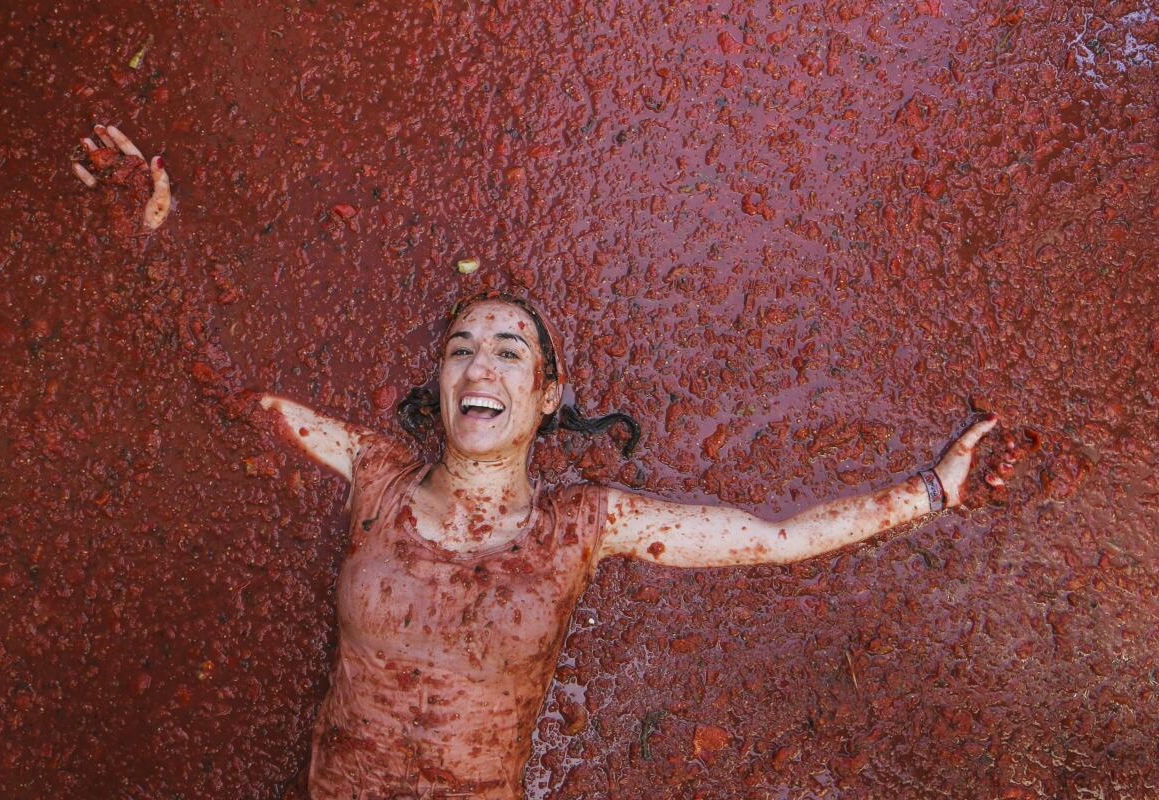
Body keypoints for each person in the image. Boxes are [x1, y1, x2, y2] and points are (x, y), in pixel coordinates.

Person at [73, 130, 1005, 800]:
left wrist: (932, 491)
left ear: (547, 395)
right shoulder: (374, 472)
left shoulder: (584, 524)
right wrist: (149, 242)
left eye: (510, 351)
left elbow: (773, 536)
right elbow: (227, 397)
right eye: (461, 348)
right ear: (440, 385)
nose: (481, 364)